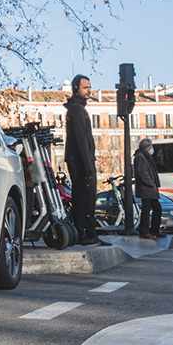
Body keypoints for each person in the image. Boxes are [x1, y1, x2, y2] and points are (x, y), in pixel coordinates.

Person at [64, 75, 99, 245]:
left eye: (89, 87)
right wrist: (88, 166)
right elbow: (80, 140)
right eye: (86, 87)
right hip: (80, 162)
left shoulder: (77, 108)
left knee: (83, 196)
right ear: (76, 88)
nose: (89, 91)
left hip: (80, 160)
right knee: (84, 196)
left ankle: (87, 232)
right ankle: (84, 233)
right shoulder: (77, 110)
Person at [134, 138, 163, 240]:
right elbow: (142, 173)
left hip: (150, 189)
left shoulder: (146, 157)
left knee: (156, 209)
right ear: (147, 147)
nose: (152, 149)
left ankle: (154, 230)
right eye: (151, 146)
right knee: (147, 210)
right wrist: (151, 184)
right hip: (146, 189)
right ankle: (145, 231)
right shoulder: (140, 157)